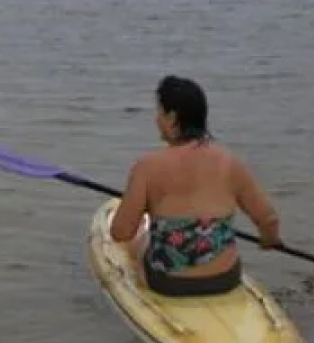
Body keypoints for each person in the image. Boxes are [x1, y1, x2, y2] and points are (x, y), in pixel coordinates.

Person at [109, 75, 283, 297]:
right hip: (225, 279)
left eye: (160, 112)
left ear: (172, 118)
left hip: (169, 284)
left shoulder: (147, 167)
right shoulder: (230, 163)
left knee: (139, 241)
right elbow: (268, 219)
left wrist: (147, 209)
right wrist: (270, 240)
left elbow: (120, 232)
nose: (157, 118)